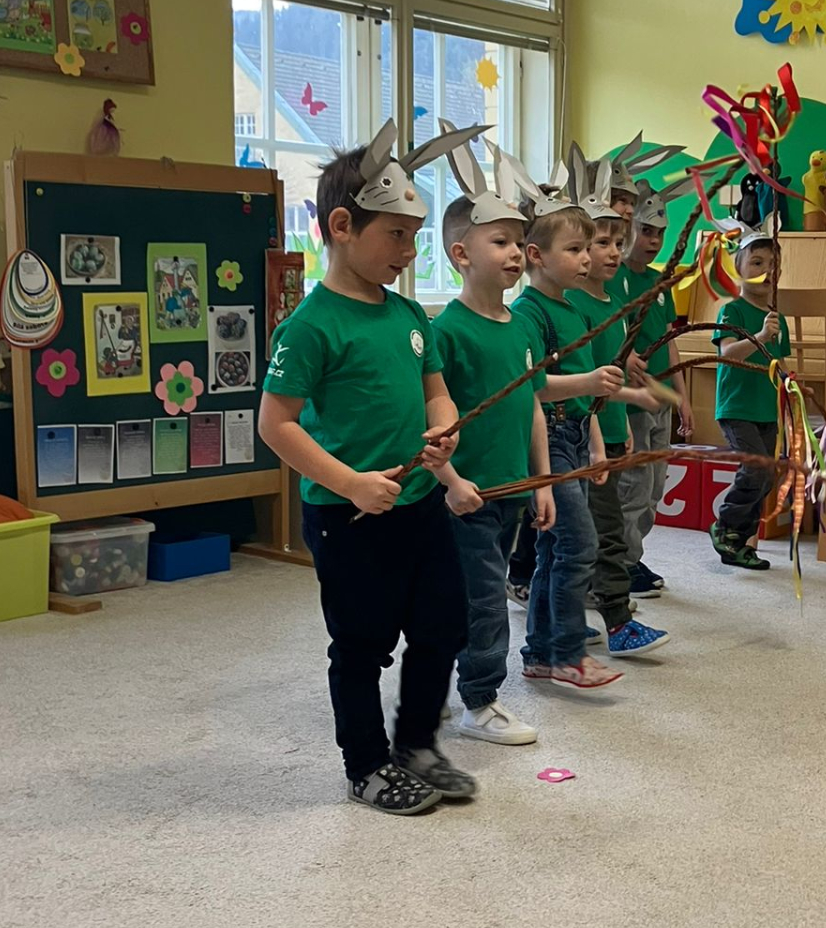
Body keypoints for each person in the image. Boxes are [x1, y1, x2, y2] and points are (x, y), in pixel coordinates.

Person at [259, 121, 483, 815]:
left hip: (419, 505)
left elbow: (436, 392)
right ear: (342, 227)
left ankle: (416, 745)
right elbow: (276, 424)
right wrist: (350, 483)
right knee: (361, 644)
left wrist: (444, 426)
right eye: (396, 235)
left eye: (414, 236)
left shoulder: (411, 314)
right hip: (347, 516)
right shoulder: (309, 325)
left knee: (443, 626)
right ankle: (365, 766)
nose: (409, 252)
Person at [430, 133, 555, 747]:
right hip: (467, 496)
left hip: (512, 490)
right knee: (483, 601)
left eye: (518, 242)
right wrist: (452, 483)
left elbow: (531, 405)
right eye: (500, 242)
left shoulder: (520, 326)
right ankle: (479, 702)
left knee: (472, 595)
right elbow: (430, 421)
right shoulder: (446, 331)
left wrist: (542, 479)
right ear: (461, 254)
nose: (515, 253)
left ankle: (439, 684)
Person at [507, 180, 625, 691]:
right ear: (537, 256)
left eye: (586, 248)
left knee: (555, 552)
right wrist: (589, 383)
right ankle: (568, 651)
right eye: (574, 249)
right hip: (548, 439)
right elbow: (533, 386)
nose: (586, 259)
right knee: (578, 544)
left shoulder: (574, 307)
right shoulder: (529, 312)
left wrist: (596, 443)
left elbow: (585, 390)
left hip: (576, 435)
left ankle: (541, 652)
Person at [569, 187, 670, 657]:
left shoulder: (612, 305)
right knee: (597, 535)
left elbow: (613, 370)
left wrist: (624, 423)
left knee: (596, 534)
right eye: (600, 243)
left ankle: (565, 620)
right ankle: (616, 621)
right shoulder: (575, 307)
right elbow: (585, 382)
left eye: (617, 242)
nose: (612, 252)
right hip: (580, 441)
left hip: (608, 434)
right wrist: (634, 397)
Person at [619, 180, 693, 596]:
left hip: (662, 397)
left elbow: (670, 339)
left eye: (660, 233)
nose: (653, 241)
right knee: (635, 484)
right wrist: (626, 359)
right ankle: (620, 563)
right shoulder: (612, 279)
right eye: (646, 231)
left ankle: (634, 555)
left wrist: (683, 397)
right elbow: (608, 336)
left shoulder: (659, 281)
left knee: (655, 486)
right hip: (633, 399)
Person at [709, 216, 790, 571]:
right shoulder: (732, 310)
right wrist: (759, 336)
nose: (767, 271)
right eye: (757, 263)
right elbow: (728, 354)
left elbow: (779, 363)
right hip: (737, 406)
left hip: (765, 408)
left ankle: (739, 542)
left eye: (774, 264)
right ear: (738, 270)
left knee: (768, 474)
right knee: (756, 469)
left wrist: (791, 384)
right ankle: (725, 525)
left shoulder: (776, 318)